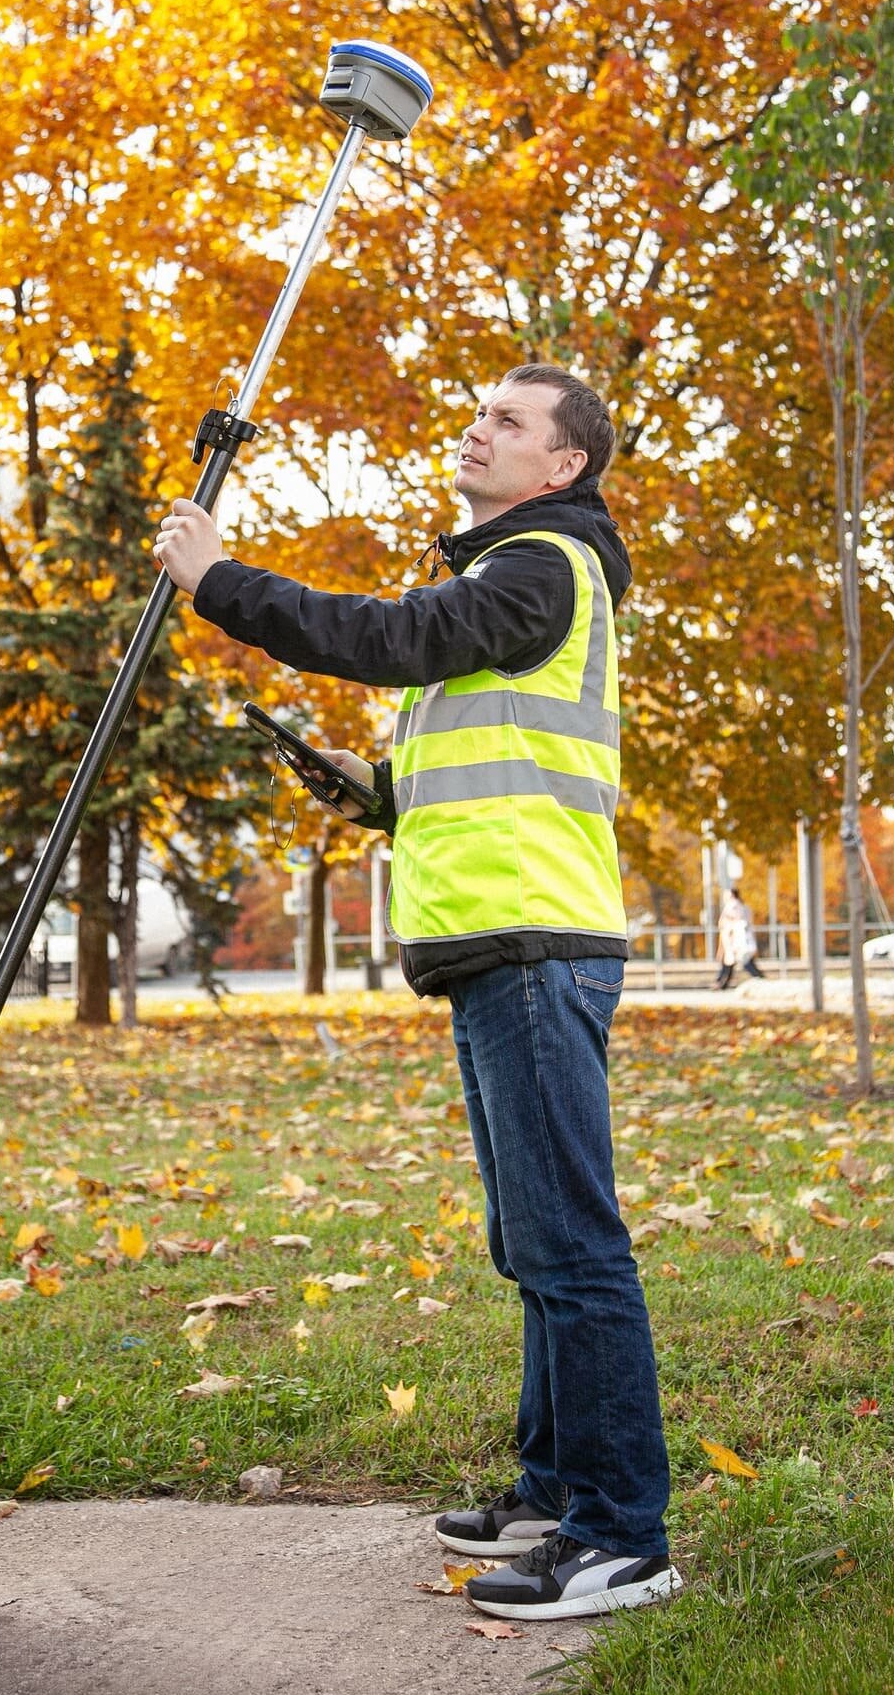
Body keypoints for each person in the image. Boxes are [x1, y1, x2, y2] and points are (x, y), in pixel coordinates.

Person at [154, 362, 678, 1623]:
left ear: (562, 467)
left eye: (511, 420)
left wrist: (221, 582)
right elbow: (482, 745)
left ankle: (622, 1537)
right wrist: (378, 790)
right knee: (532, 1240)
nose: (478, 427)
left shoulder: (543, 563)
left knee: (572, 1244)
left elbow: (393, 636)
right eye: (479, 407)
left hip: (535, 946)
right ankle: (558, 1484)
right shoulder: (524, 578)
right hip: (497, 944)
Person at [714, 888, 763, 990]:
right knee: (731, 963)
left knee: (744, 962)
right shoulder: (741, 906)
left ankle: (761, 979)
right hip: (735, 940)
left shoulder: (734, 906)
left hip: (737, 940)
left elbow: (731, 921)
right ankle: (722, 983)